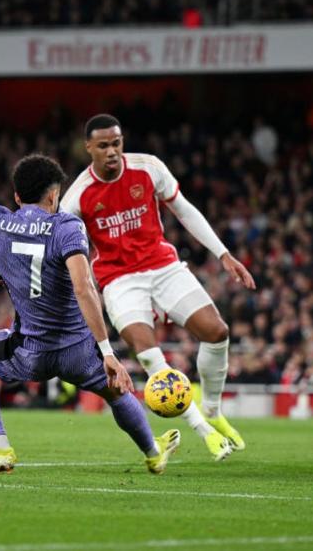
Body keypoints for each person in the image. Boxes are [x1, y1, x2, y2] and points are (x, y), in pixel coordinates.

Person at [0, 154, 180, 474]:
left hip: (28, 352)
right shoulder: (67, 226)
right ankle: (152, 451)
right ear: (53, 195)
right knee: (116, 391)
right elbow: (83, 288)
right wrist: (107, 351)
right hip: (78, 353)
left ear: (18, 196)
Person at [60, 114, 256, 461]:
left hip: (163, 265)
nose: (112, 151)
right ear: (88, 148)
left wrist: (223, 254)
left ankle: (212, 410)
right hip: (119, 279)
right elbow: (67, 252)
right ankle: (203, 429)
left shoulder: (148, 168)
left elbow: (184, 210)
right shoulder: (76, 198)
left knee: (217, 331)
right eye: (103, 145)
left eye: (116, 143)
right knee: (146, 349)